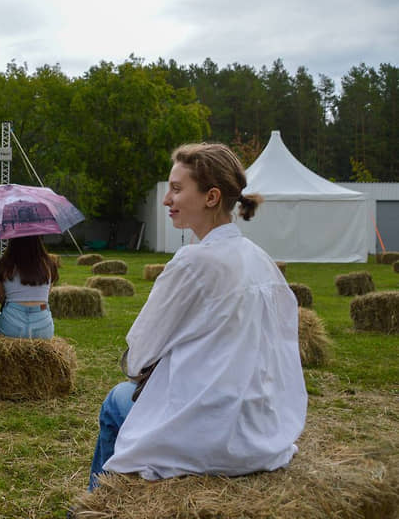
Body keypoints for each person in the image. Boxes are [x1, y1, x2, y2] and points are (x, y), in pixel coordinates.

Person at [87, 143, 307, 490]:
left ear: (211, 197)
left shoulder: (193, 262)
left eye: (177, 189)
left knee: (117, 399)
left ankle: (96, 505)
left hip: (207, 436)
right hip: (263, 431)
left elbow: (136, 359)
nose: (166, 199)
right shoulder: (261, 260)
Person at [0, 235, 58, 339]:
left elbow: (1, 298)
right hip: (43, 325)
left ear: (12, 242)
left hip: (11, 325)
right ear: (38, 242)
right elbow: (47, 295)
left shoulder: (3, 265)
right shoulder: (49, 264)